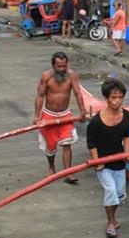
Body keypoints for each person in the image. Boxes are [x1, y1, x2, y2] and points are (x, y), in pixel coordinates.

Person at [87, 79, 129, 238]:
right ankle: (110, 222)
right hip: (103, 162)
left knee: (120, 194)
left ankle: (113, 217)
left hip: (119, 161)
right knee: (111, 191)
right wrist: (97, 161)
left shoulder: (128, 117)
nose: (116, 101)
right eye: (113, 98)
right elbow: (91, 143)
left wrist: (127, 154)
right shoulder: (96, 121)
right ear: (106, 99)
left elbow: (127, 136)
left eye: (120, 97)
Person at [33, 52, 88, 183]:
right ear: (53, 65)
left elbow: (77, 93)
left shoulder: (71, 75)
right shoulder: (46, 77)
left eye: (64, 66)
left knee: (67, 143)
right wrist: (37, 116)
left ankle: (68, 172)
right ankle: (51, 169)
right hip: (49, 115)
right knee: (50, 145)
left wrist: (82, 111)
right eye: (59, 66)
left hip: (65, 115)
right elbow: (40, 96)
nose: (62, 69)